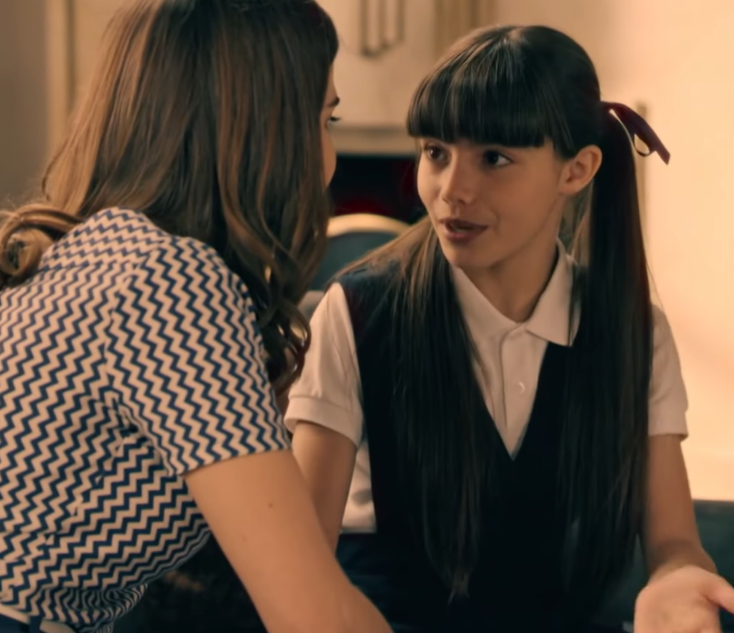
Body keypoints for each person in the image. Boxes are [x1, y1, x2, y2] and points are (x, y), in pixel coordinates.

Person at [286, 24, 734, 633]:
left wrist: (678, 584)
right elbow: (299, 568)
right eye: (436, 152)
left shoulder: (632, 333)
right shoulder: (357, 311)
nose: (451, 191)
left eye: (494, 158)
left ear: (577, 170)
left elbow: (674, 544)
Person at [0, 1, 394, 633]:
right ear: (265, 132)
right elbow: (314, 617)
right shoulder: (169, 282)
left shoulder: (91, 253)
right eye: (324, 120)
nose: (329, 158)